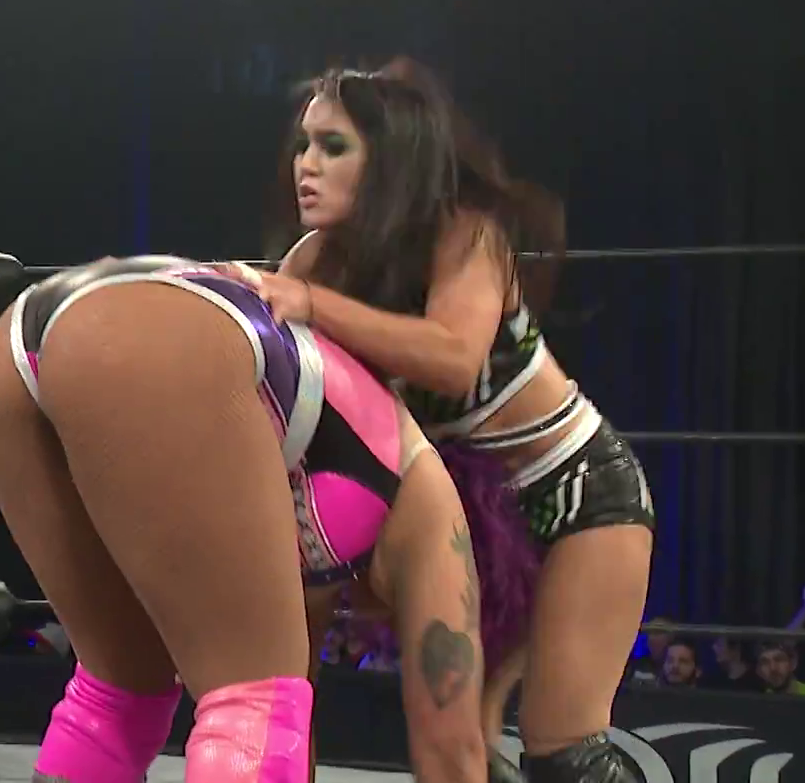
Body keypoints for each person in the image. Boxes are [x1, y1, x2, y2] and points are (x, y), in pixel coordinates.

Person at [243, 61, 655, 783]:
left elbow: (454, 359)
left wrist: (310, 304)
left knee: (566, 752)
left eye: (333, 146)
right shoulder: (314, 262)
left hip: (576, 493)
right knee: (461, 746)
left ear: (389, 159)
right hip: (464, 515)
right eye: (303, 145)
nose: (306, 164)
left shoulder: (467, 235)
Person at [0, 255, 503, 783]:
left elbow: (298, 721)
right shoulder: (423, 505)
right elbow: (452, 747)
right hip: (154, 337)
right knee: (252, 709)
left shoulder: (314, 493)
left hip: (22, 340)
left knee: (118, 693)